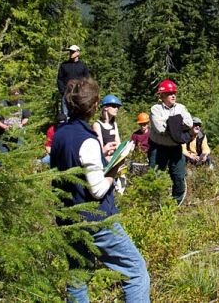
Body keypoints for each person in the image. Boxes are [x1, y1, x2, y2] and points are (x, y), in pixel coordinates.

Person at [50, 77, 150, 302]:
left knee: (78, 277)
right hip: (96, 221)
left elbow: (71, 168)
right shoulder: (87, 140)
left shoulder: (60, 134)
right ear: (95, 105)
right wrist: (113, 171)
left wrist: (101, 156)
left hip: (68, 218)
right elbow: (96, 190)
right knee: (136, 272)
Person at [149, 79, 193, 204]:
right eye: (169, 93)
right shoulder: (155, 109)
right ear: (162, 95)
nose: (173, 95)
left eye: (174, 93)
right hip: (158, 148)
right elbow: (160, 129)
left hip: (175, 148)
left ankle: (175, 204)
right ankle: (155, 203)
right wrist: (177, 122)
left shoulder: (181, 108)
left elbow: (189, 123)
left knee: (179, 176)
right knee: (155, 176)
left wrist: (169, 123)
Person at [0, 88, 31, 153]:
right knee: (3, 153)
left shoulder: (22, 104)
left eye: (18, 95)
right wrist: (5, 127)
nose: (16, 97)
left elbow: (26, 117)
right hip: (3, 133)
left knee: (19, 153)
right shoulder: (1, 104)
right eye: (14, 96)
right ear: (10, 95)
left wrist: (21, 124)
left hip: (18, 133)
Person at [56, 45, 91, 119]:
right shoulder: (64, 65)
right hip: (66, 95)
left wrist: (83, 92)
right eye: (70, 51)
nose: (71, 53)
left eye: (73, 51)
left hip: (79, 95)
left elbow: (87, 80)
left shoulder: (83, 66)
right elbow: (59, 79)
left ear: (78, 53)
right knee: (65, 116)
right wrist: (63, 92)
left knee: (79, 116)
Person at [92, 94, 122, 162]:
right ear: (105, 107)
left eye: (118, 107)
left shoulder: (114, 124)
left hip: (114, 158)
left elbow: (118, 143)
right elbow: (100, 149)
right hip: (104, 159)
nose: (116, 109)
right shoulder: (97, 125)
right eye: (114, 106)